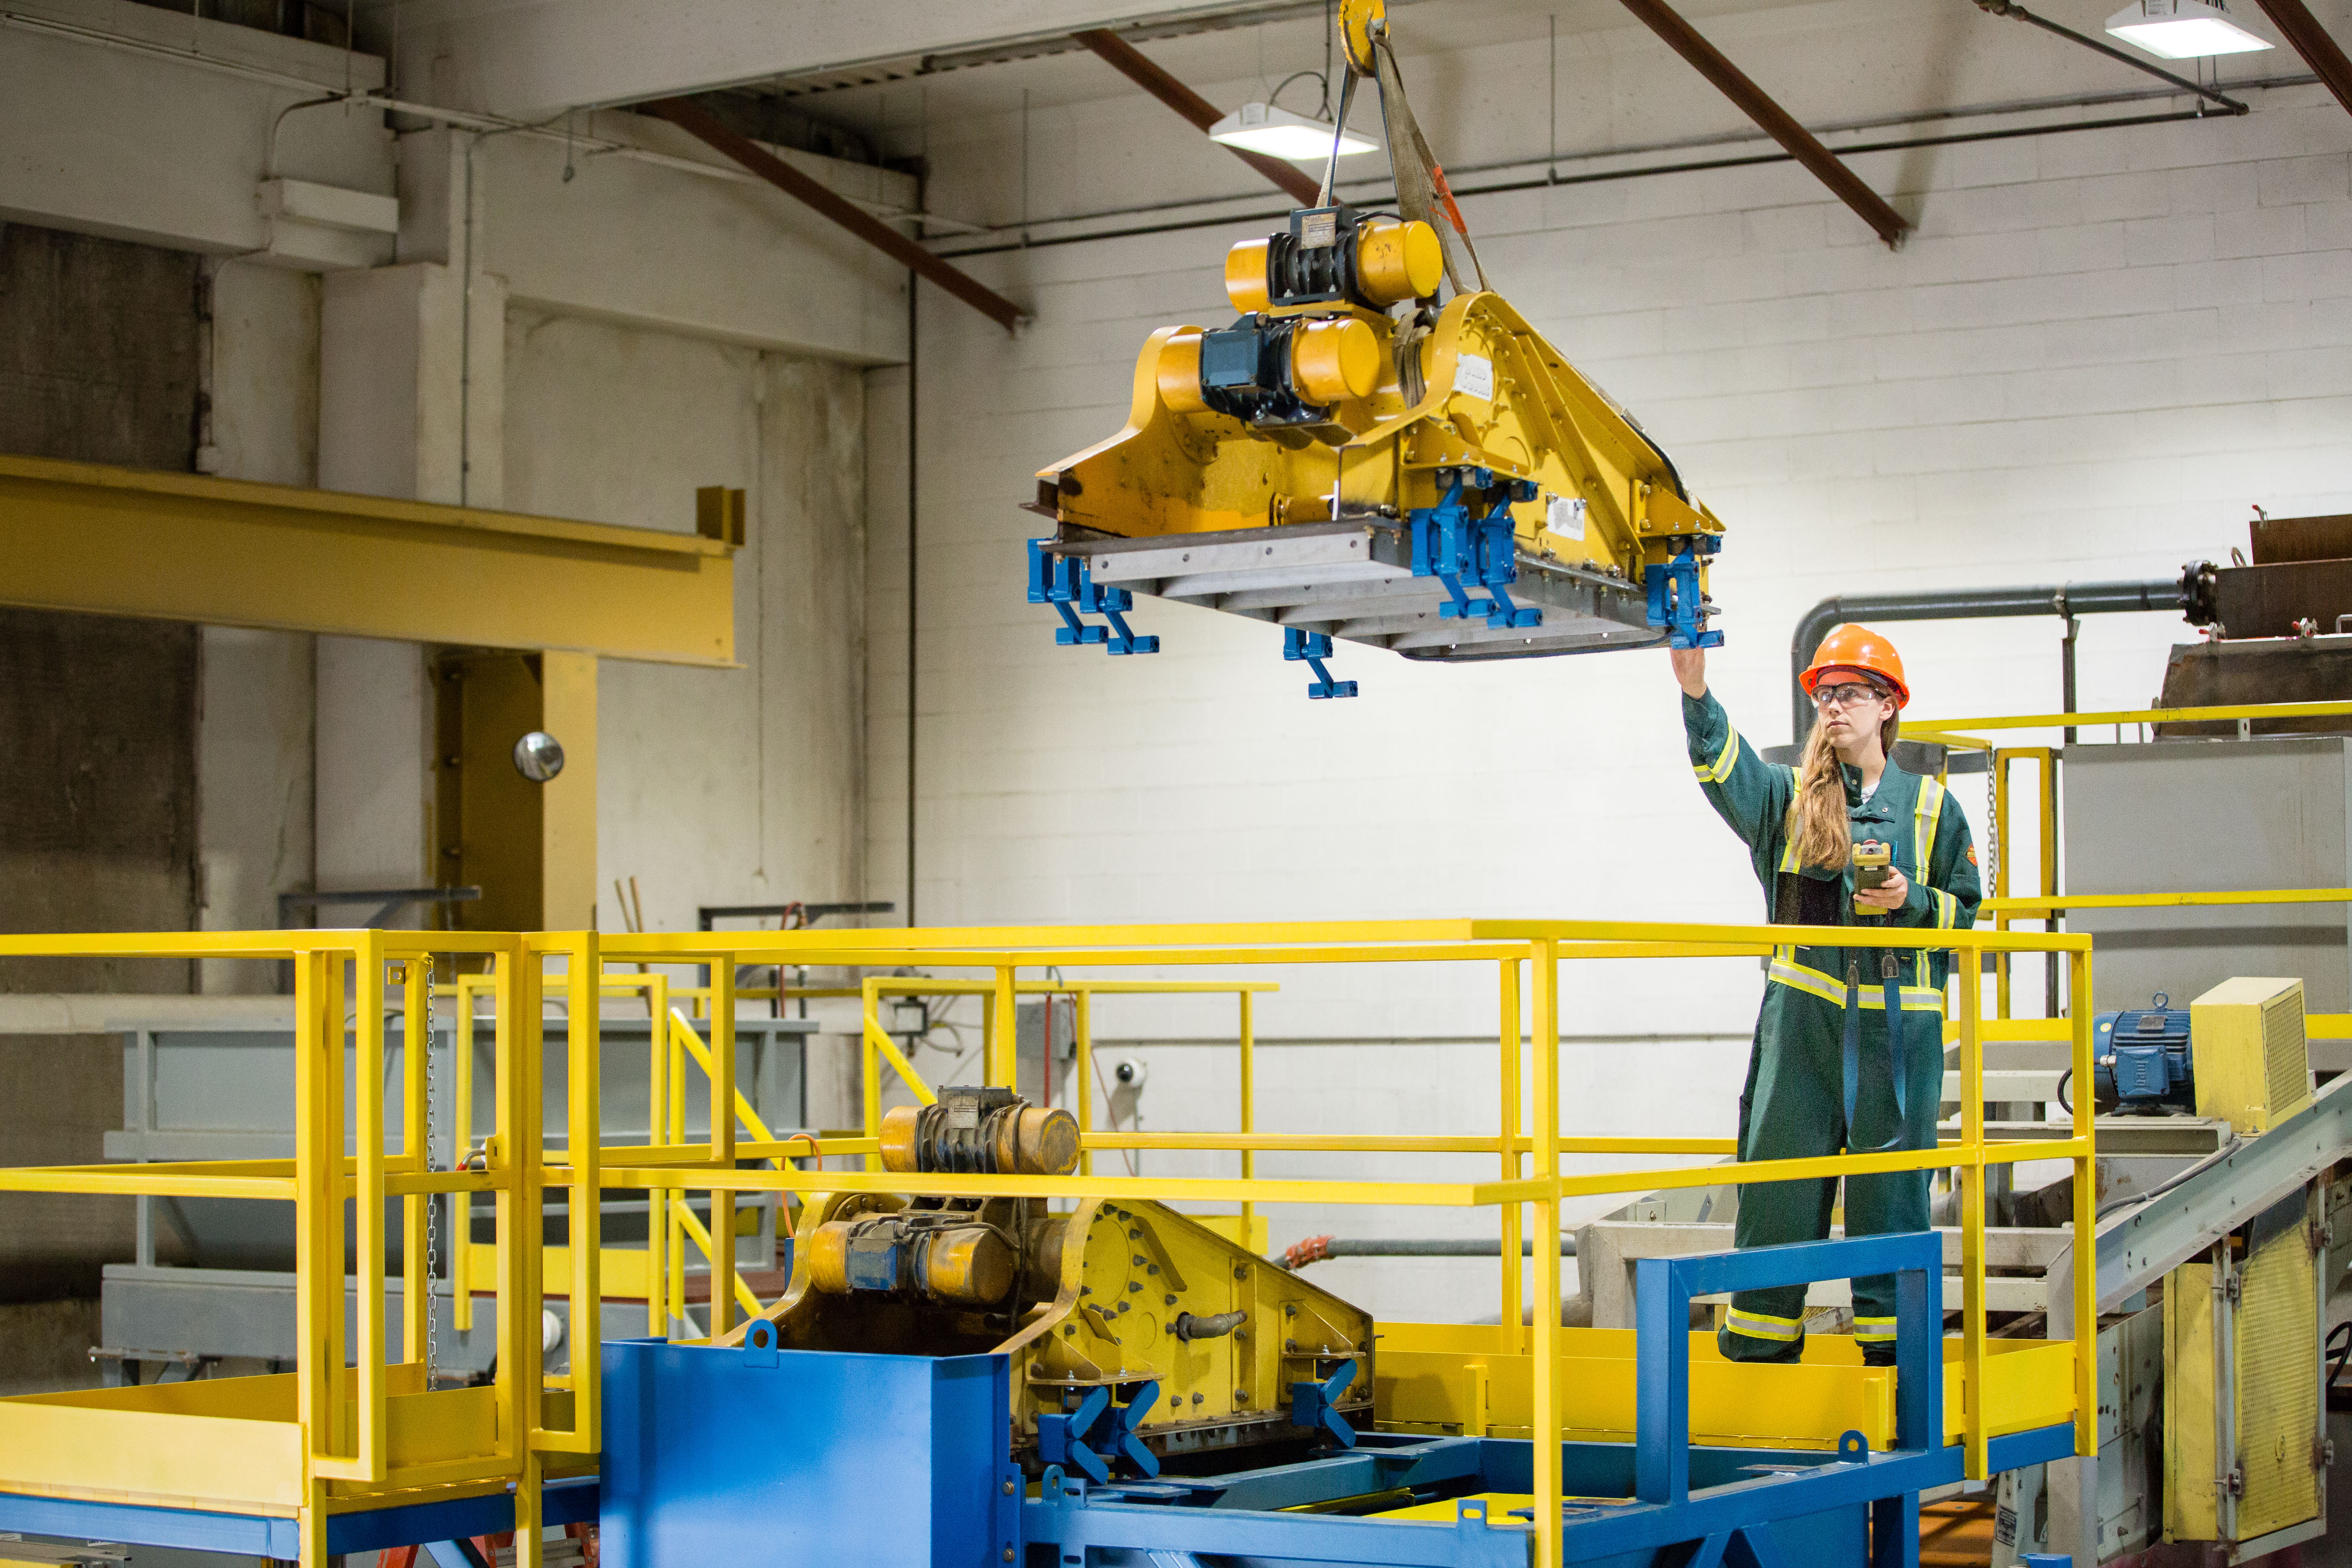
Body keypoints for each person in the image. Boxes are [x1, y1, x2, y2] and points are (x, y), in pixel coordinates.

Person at [1672, 625, 1980, 1364]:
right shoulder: (1786, 800)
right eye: (1825, 695)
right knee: (1778, 1193)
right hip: (1801, 1034)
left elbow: (1966, 912)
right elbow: (1724, 767)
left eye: (1850, 694)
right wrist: (1695, 693)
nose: (1834, 707)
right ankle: (1759, 1366)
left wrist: (1909, 900)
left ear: (1888, 706)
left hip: (1896, 1043)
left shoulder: (1934, 808)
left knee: (1892, 1205)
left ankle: (1896, 1376)